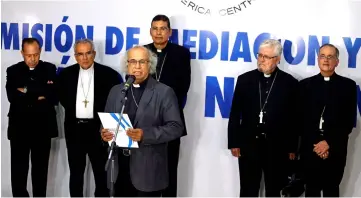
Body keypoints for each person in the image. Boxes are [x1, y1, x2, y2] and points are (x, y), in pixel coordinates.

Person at [101, 45, 184, 197]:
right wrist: (104, 133)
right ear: (127, 64)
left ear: (150, 64)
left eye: (142, 62)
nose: (137, 66)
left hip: (148, 170)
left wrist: (145, 135)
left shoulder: (164, 92)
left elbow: (176, 127)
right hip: (119, 169)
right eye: (133, 61)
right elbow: (105, 123)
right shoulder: (116, 91)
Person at [228, 39, 299, 197]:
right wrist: (234, 142)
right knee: (248, 189)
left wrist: (292, 148)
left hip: (277, 147)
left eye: (266, 57)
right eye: (260, 55)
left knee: (274, 190)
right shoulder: (244, 80)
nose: (261, 60)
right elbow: (235, 113)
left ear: (277, 59)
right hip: (249, 145)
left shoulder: (290, 83)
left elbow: (294, 119)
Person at [58, 38, 121, 197]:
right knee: (76, 175)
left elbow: (115, 103)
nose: (84, 58)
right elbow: (63, 99)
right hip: (74, 130)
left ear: (94, 53)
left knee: (101, 176)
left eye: (88, 53)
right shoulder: (65, 75)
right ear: (75, 56)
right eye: (80, 54)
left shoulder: (109, 75)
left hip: (98, 131)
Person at [299, 44, 357, 197]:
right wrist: (317, 145)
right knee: (311, 190)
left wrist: (328, 142)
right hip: (310, 148)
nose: (326, 60)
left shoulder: (348, 86)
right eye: (323, 56)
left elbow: (348, 121)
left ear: (337, 62)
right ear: (317, 59)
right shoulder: (304, 85)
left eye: (330, 56)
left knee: (332, 190)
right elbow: (300, 120)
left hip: (335, 148)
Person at [144, 14, 191, 197]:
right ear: (150, 31)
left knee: (170, 169)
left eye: (163, 29)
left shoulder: (181, 53)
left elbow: (183, 86)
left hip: (170, 121)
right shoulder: (142, 52)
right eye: (155, 29)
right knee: (146, 170)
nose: (158, 33)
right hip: (145, 121)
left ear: (169, 32)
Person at [5, 38, 58, 197]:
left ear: (40, 51)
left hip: (43, 128)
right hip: (19, 129)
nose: (32, 59)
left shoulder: (49, 68)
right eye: (28, 55)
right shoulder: (12, 70)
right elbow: (12, 96)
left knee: (40, 173)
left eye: (35, 54)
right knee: (18, 173)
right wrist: (39, 93)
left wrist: (25, 90)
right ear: (22, 53)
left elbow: (53, 96)